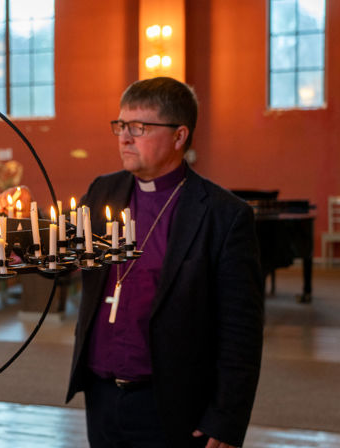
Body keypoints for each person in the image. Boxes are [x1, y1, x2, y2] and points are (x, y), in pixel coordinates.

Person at [65, 77, 264, 448]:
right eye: (121, 125)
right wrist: (19, 232)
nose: (125, 138)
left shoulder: (223, 215)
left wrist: (227, 417)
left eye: (139, 127)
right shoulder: (102, 191)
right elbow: (62, 261)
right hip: (101, 395)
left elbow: (241, 329)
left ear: (179, 136)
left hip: (172, 403)